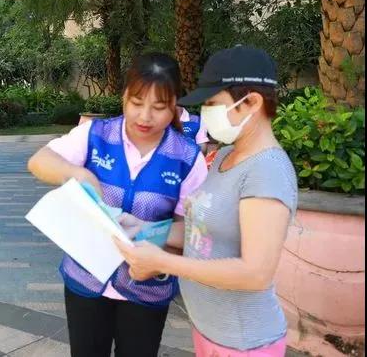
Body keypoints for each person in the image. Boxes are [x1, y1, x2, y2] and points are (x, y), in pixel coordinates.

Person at [115, 46, 297, 357]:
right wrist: (143, 229)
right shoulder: (225, 155)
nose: (205, 113)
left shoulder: (267, 171)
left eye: (213, 104)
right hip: (209, 331)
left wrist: (162, 263)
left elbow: (256, 273)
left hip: (244, 342)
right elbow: (202, 234)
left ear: (252, 102)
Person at [27, 52, 208, 357]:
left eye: (159, 107)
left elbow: (196, 233)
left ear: (175, 105)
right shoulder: (95, 135)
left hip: (146, 287)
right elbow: (39, 161)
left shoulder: (187, 158)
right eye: (136, 103)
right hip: (86, 278)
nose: (145, 117)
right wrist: (77, 173)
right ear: (124, 96)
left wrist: (148, 230)